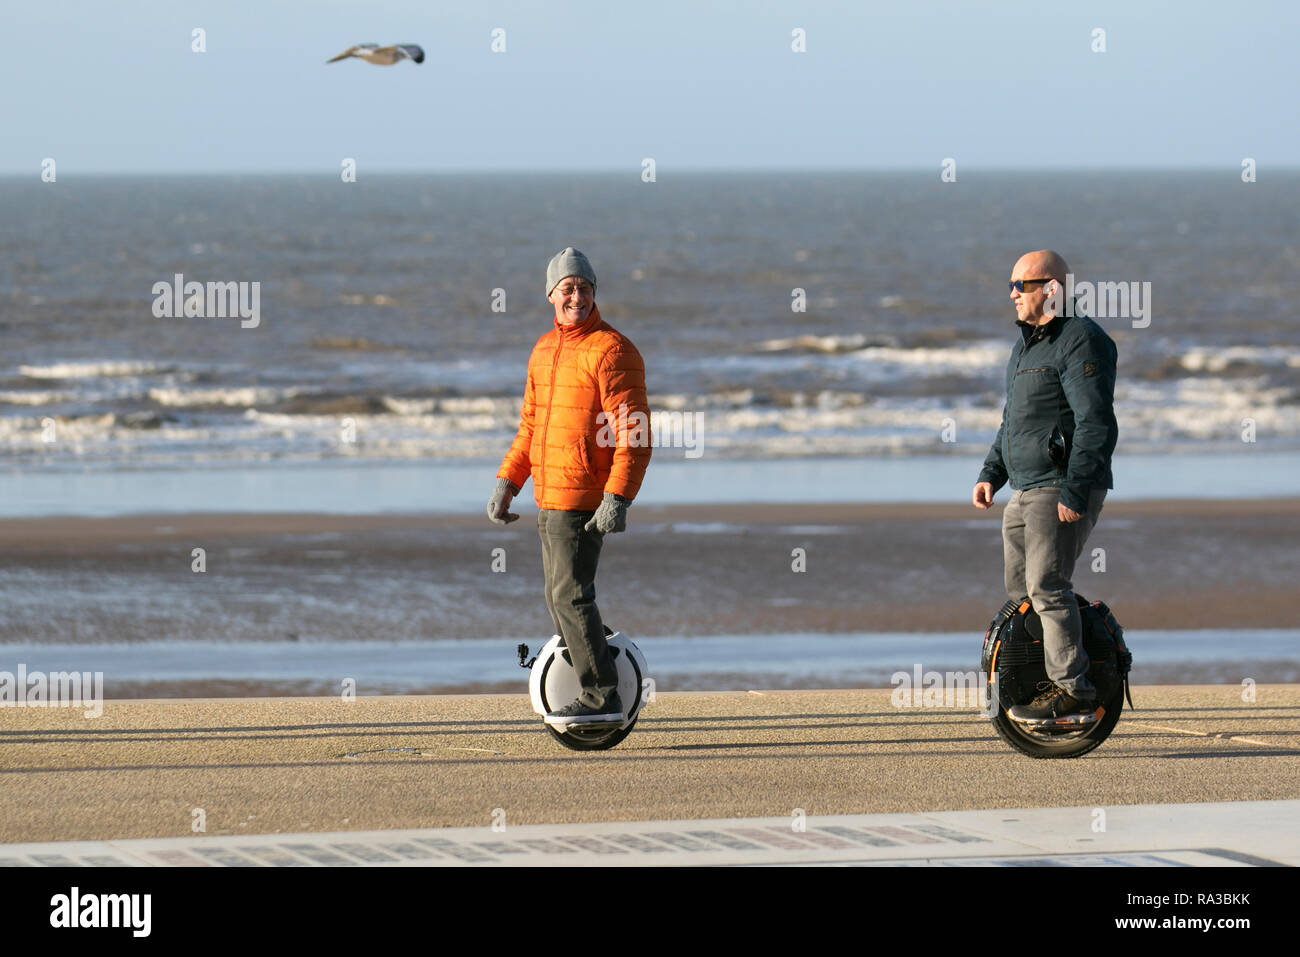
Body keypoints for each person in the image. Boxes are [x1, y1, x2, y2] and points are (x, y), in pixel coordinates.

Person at [488, 248, 652, 728]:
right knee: (560, 598)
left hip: (586, 498)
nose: (575, 295)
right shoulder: (543, 350)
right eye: (567, 288)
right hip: (550, 496)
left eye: (583, 287)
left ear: (594, 292)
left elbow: (634, 434)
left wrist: (617, 497)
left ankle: (604, 696)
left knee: (571, 597)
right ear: (551, 296)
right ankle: (607, 671)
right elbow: (530, 427)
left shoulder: (613, 350)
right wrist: (507, 481)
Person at [973, 250, 1118, 722]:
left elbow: (1096, 422)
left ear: (1051, 288)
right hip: (1025, 486)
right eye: (1010, 284)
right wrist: (991, 474)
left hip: (1059, 485)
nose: (1012, 293)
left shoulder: (1082, 339)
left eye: (1022, 284)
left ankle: (1075, 690)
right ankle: (1038, 682)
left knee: (1047, 586)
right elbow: (1013, 421)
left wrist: (1075, 491)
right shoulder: (1027, 345)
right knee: (1022, 597)